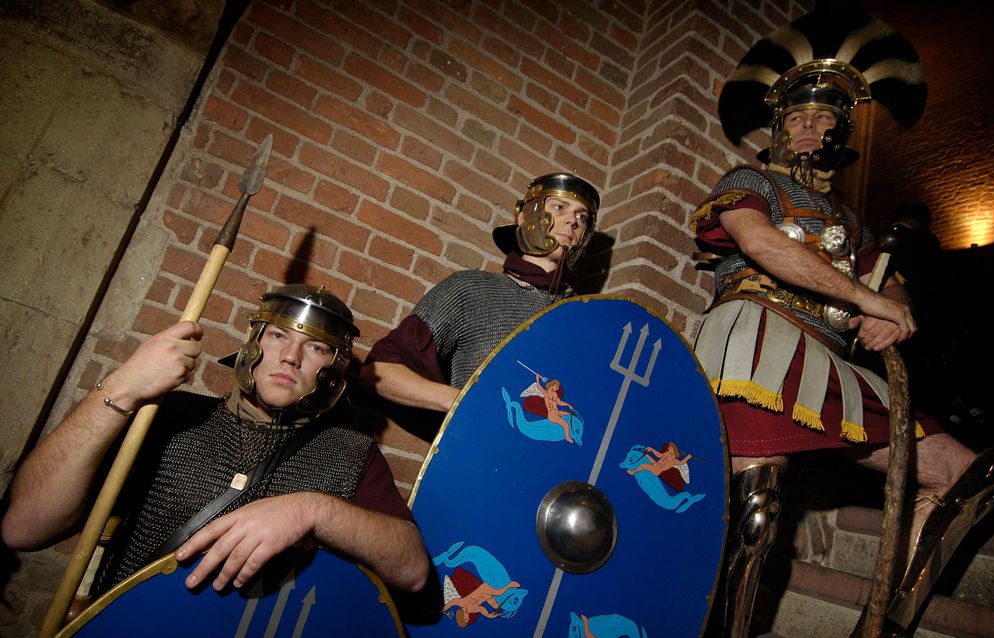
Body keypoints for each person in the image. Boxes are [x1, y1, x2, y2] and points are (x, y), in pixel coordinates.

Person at [691, 12, 994, 637]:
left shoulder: (852, 219)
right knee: (755, 509)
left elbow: (887, 285)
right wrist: (868, 301)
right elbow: (759, 243)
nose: (811, 128)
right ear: (779, 128)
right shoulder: (749, 180)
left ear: (842, 130)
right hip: (759, 335)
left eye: (825, 118)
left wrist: (896, 311)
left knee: (965, 475)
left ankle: (883, 622)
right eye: (799, 118)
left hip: (830, 357)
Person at [2, 284, 430, 599]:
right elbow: (25, 526)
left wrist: (313, 509)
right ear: (254, 343)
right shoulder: (170, 416)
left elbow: (411, 570)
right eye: (279, 335)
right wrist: (121, 388)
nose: (291, 357)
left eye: (316, 347)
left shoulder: (349, 453)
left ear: (332, 369)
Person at [360, 172, 600, 418]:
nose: (572, 220)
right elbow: (378, 371)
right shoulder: (471, 290)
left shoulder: (584, 318)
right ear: (525, 216)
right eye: (560, 207)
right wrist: (460, 400)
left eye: (582, 217)